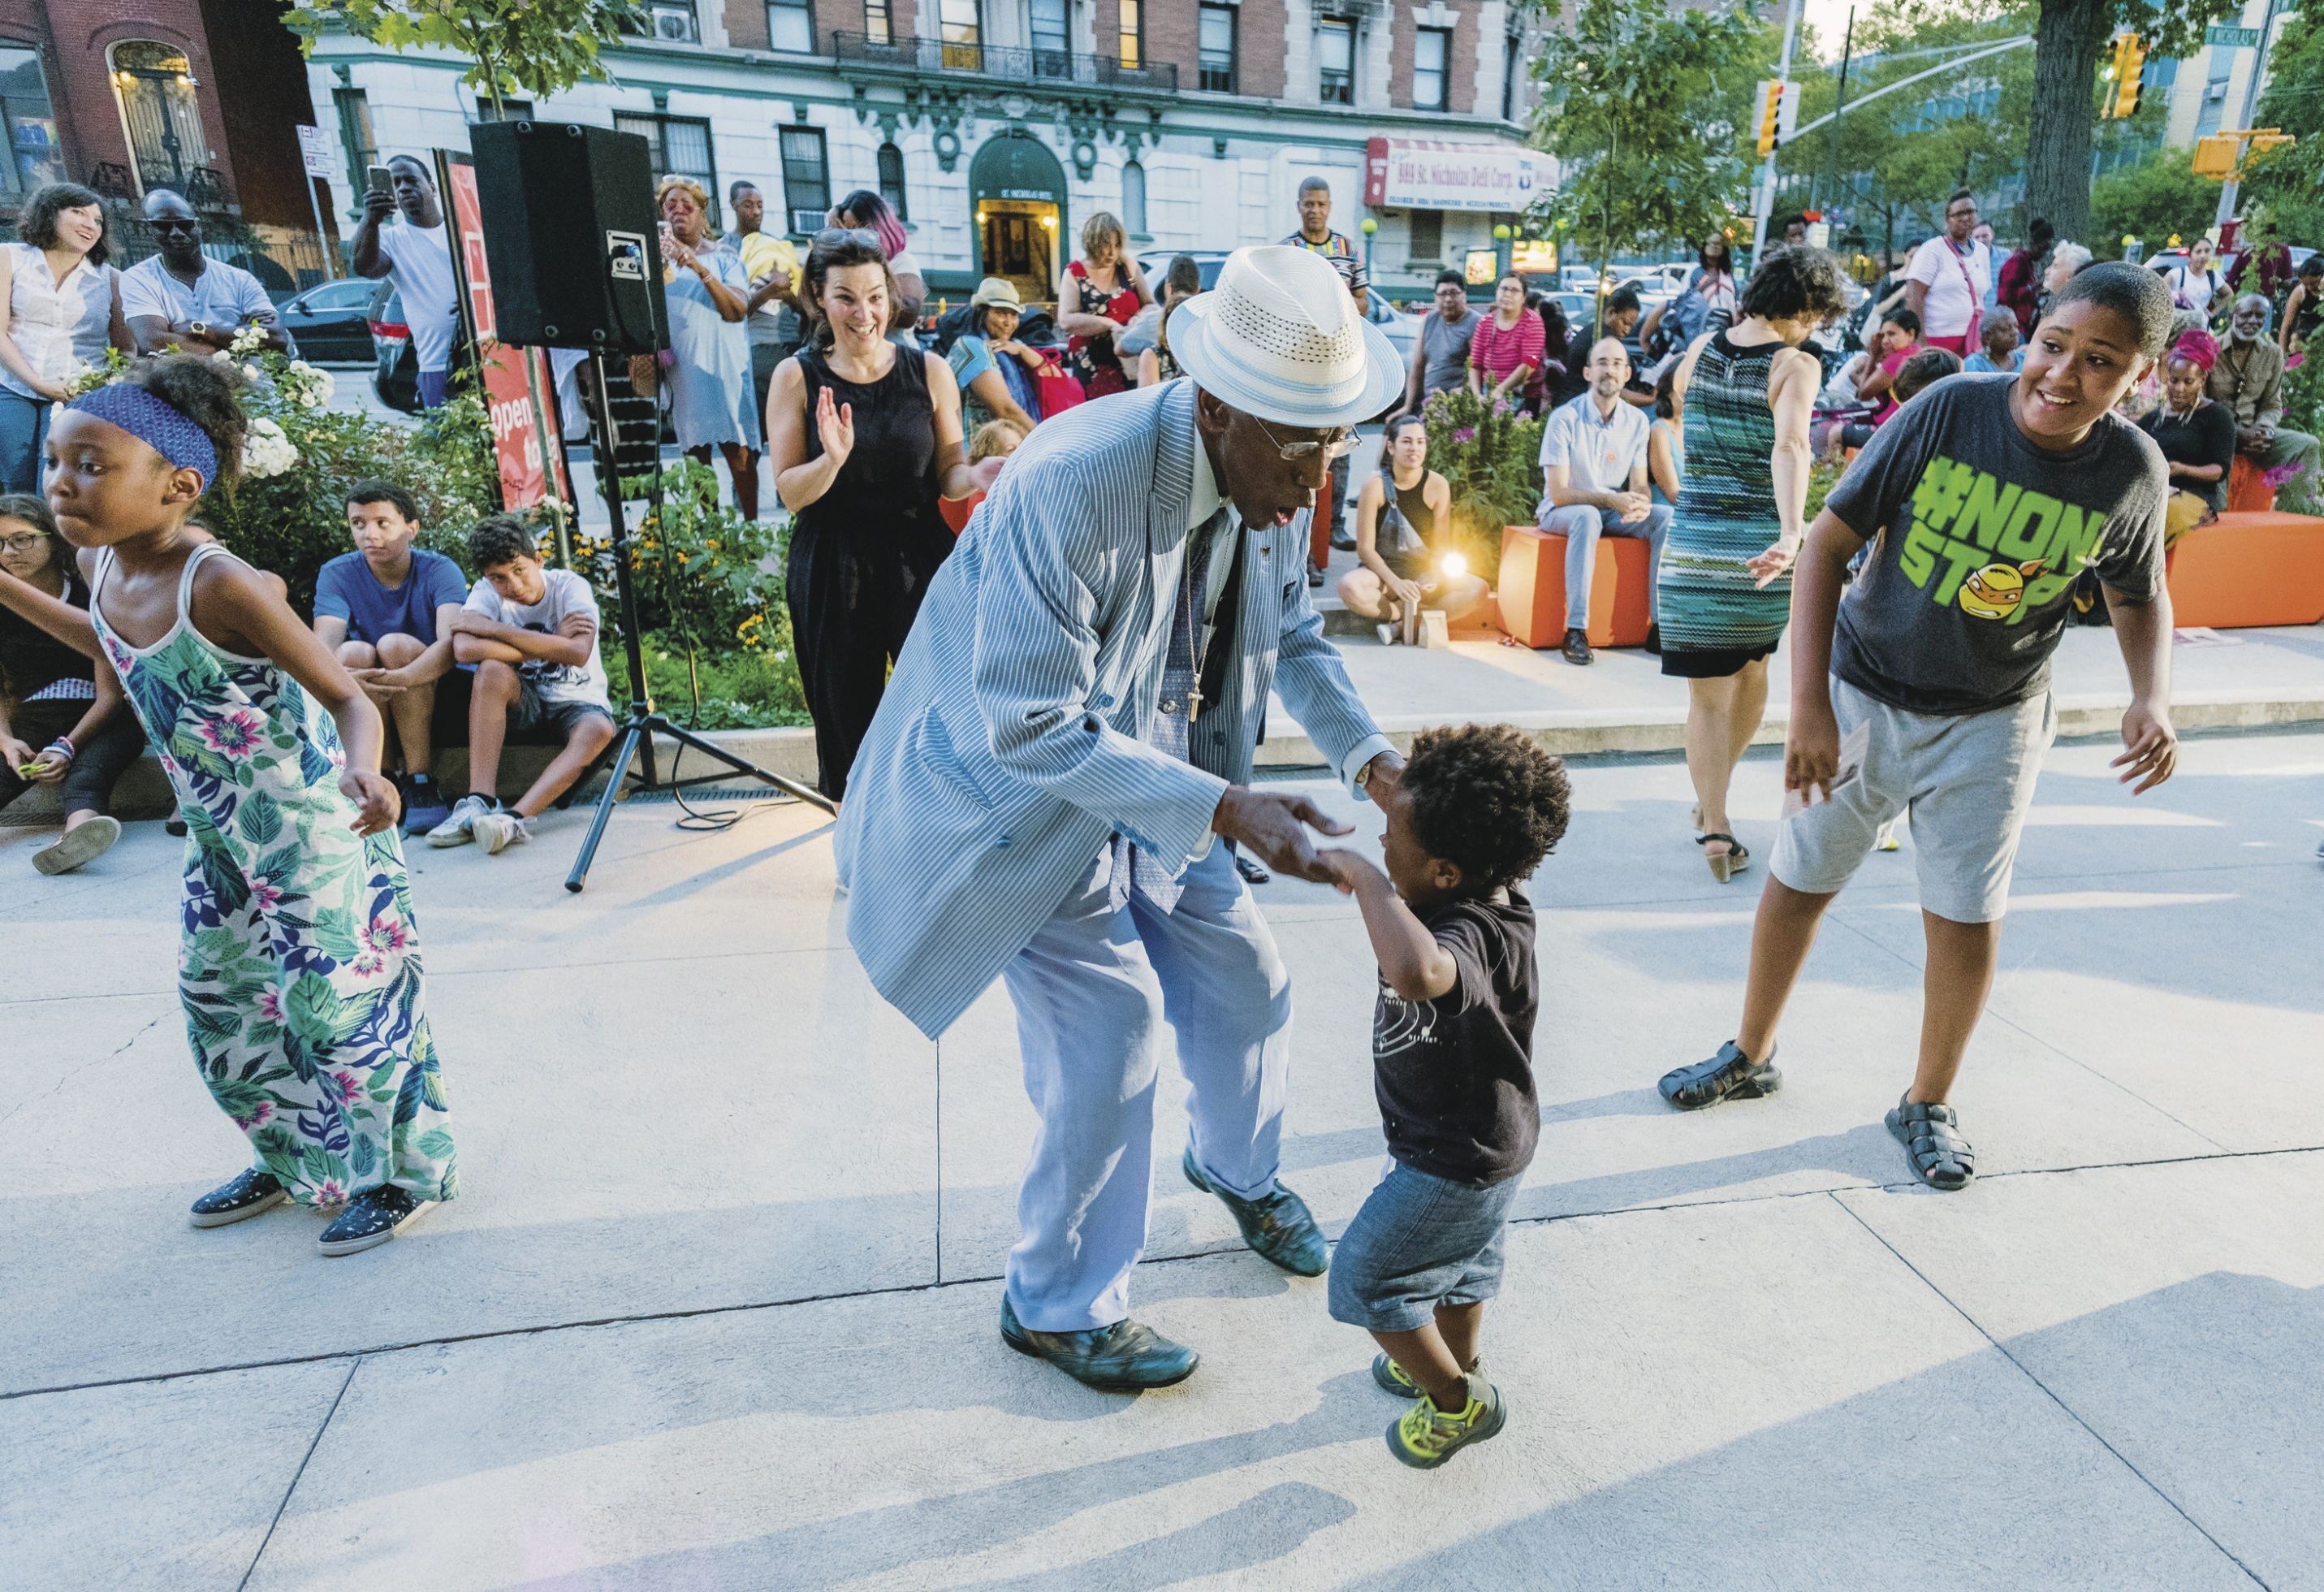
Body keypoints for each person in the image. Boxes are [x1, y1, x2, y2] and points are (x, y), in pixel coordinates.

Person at [836, 244, 1406, 1391]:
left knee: (1251, 985)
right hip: (1026, 801)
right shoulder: (1073, 480)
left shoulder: (1274, 468)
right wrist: (1230, 807)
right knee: (1114, 1037)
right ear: (1215, 405)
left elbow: (1291, 636)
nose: (1314, 487)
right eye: (1301, 450)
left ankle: (1235, 1170)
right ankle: (1053, 1301)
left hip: (1167, 781)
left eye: (1333, 445)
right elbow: (1031, 726)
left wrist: (1376, 766)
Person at [1658, 263, 2180, 1192]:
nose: (2062, 375)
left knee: (1966, 915)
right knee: (1799, 877)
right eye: (2054, 345)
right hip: (1863, 693)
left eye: (2100, 363)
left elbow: (2138, 590)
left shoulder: (2131, 467)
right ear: (2031, 333)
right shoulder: (1950, 411)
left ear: (2138, 375)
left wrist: (2153, 695)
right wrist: (1811, 707)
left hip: (1996, 716)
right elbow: (1826, 544)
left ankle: (1927, 1099)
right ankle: (1751, 1049)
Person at [44, 357, 455, 1249]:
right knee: (225, 1000)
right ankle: (293, 1152)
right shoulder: (97, 561)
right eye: (57, 462)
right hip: (222, 835)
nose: (62, 484)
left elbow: (345, 692)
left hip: (314, 823)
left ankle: (396, 1174)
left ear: (177, 487)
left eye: (91, 465)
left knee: (342, 1008)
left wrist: (368, 770)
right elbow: (108, 640)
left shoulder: (221, 582)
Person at [1313, 723, 1570, 1469]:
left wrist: (1365, 880)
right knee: (1462, 1269)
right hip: (1492, 1140)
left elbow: (1421, 977)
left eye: (1394, 836)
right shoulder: (1487, 889)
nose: (1384, 843)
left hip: (1449, 1160)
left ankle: (1457, 1404)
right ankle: (1456, 1360)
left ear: (1449, 872)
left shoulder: (1469, 930)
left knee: (1368, 1280)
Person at [768, 230, 1001, 803]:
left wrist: (973, 477)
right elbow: (790, 492)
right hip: (833, 559)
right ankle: (857, 842)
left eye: (875, 295)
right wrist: (833, 459)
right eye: (846, 296)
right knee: (847, 714)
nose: (864, 312)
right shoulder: (795, 376)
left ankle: (941, 828)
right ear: (818, 298)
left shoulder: (930, 371)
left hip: (917, 553)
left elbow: (947, 465)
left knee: (944, 706)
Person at [1655, 247, 1844, 880]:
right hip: (1757, 547)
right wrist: (1793, 532)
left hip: (1689, 548)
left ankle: (1712, 818)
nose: (1816, 328)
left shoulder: (1693, 356)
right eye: (1818, 314)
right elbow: (1790, 445)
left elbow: (1688, 431)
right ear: (1804, 307)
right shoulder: (1794, 364)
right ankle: (1713, 813)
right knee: (1754, 671)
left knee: (1706, 699)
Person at [428, 515, 617, 854]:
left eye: (519, 570)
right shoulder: (488, 593)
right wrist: (550, 643)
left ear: (538, 560)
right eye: (498, 578)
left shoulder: (569, 587)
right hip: (525, 698)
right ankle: (479, 801)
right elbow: (464, 648)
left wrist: (495, 630)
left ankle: (513, 820)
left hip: (578, 701)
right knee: (490, 671)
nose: (512, 584)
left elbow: (576, 652)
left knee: (600, 730)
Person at [311, 481, 468, 836]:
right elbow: (324, 647)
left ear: (412, 528)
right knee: (352, 652)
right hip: (374, 685)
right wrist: (350, 677)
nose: (370, 534)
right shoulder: (337, 573)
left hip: (434, 681)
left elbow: (451, 643)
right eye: (359, 523)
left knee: (395, 644)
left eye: (383, 523)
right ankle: (382, 778)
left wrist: (406, 677)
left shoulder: (439, 569)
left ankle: (421, 779)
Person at [0, 492, 140, 872]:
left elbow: (110, 697)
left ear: (51, 537)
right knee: (6, 768)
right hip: (40, 713)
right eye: (0, 544)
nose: (10, 552)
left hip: (104, 715)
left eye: (23, 538)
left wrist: (66, 747)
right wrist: (7, 739)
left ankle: (77, 838)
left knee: (86, 777)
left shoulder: (88, 592)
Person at [1535, 337, 1672, 665]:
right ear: (1587, 372)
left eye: (1615, 364)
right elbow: (1560, 493)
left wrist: (1638, 502)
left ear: (1626, 374)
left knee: (1664, 516)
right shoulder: (1564, 419)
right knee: (1586, 516)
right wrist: (1612, 499)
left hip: (1609, 510)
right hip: (1562, 512)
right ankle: (1576, 629)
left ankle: (1659, 626)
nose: (1608, 370)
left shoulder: (1637, 422)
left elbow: (1639, 484)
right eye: (1601, 363)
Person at [0, 182, 130, 492]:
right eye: (78, 212)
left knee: (54, 482)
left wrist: (101, 391)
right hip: (12, 385)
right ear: (49, 214)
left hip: (78, 393)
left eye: (98, 220)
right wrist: (39, 383)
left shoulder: (111, 278)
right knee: (14, 482)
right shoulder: (9, 257)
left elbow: (125, 349)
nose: (90, 224)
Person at [657, 175, 760, 521]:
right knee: (695, 456)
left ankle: (750, 529)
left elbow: (736, 311)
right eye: (670, 206)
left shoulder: (726, 257)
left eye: (688, 206)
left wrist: (697, 265)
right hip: (683, 369)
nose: (678, 212)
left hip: (725, 366)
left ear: (703, 215)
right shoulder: (654, 261)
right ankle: (712, 533)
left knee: (739, 451)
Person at [1281, 177, 1370, 569]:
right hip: (1300, 365)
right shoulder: (1287, 250)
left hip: (1341, 363)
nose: (1314, 210)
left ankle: (1333, 525)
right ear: (1298, 205)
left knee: (1341, 445)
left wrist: (1332, 297)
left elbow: (1363, 302)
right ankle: (1297, 530)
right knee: (1300, 446)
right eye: (1308, 204)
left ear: (1330, 206)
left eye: (1321, 204)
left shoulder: (1348, 249)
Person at [1337, 414, 1488, 643]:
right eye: (1406, 442)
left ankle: (1401, 626)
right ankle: (1412, 618)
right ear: (1391, 447)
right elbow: (1365, 550)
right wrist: (1396, 582)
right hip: (1384, 577)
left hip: (1423, 578)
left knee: (1478, 588)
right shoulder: (1375, 485)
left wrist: (1435, 576)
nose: (1414, 448)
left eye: (1420, 442)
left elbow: (1441, 547)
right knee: (1349, 587)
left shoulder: (1438, 485)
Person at [119, 191, 290, 357]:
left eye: (185, 224)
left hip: (255, 383)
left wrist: (198, 330)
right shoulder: (139, 279)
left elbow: (276, 337)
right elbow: (154, 341)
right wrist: (233, 343)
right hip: (182, 382)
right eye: (163, 226)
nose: (176, 233)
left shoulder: (239, 279)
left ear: (198, 225)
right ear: (150, 230)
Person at [351, 154, 458, 410]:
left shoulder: (461, 228)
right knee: (447, 443)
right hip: (436, 365)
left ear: (431, 187)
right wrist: (370, 219)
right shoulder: (390, 240)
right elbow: (365, 267)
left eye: (410, 180)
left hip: (485, 356)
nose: (403, 188)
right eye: (395, 183)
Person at [2211, 294, 2321, 493]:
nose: (2253, 321)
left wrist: (2266, 429)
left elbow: (2272, 404)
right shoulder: (2212, 350)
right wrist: (2238, 433)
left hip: (2255, 434)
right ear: (2231, 316)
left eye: (2260, 316)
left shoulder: (2273, 353)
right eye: (2246, 315)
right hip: (2218, 434)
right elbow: (2200, 403)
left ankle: (2299, 513)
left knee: (2307, 444)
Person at [2141, 331, 2235, 547]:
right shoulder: (2153, 419)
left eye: (2188, 382)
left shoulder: (2217, 416)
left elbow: (2219, 470)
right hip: (2153, 492)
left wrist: (2181, 469)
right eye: (2174, 380)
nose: (2179, 388)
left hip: (2194, 498)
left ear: (2202, 379)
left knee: (2159, 514)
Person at [724, 180, 801, 425]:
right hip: (754, 350)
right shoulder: (724, 250)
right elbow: (730, 311)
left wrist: (786, 292)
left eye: (760, 205)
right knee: (758, 430)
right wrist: (767, 291)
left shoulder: (777, 245)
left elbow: (803, 304)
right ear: (733, 206)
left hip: (791, 344)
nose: (756, 211)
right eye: (748, 205)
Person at [1058, 210, 1150, 403]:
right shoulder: (1074, 272)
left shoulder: (1127, 266)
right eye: (1105, 245)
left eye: (1117, 245)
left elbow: (1149, 304)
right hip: (1090, 367)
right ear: (1092, 243)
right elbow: (1066, 319)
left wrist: (1138, 320)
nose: (1112, 252)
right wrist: (1108, 323)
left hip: (1128, 363)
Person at [948, 277, 1043, 435]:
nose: (1008, 322)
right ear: (982, 313)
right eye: (1000, 312)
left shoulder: (1014, 345)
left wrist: (1022, 350)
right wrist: (1043, 439)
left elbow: (1050, 371)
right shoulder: (971, 346)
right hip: (984, 449)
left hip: (1013, 443)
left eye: (1014, 315)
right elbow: (1005, 410)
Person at [1903, 190, 1991, 357]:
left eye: (1970, 212)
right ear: (1947, 219)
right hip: (1937, 341)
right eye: (1958, 214)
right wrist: (1921, 344)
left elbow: (1982, 297)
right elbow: (1913, 296)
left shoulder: (1982, 251)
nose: (1965, 218)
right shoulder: (1933, 249)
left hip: (1972, 341)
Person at [1392, 270, 1480, 421]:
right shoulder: (1429, 320)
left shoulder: (1476, 323)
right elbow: (1418, 366)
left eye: (1454, 293)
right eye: (1442, 294)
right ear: (1435, 297)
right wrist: (1407, 406)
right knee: (1394, 431)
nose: (1448, 299)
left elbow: (1477, 369)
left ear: (1464, 295)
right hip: (1429, 404)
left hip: (1458, 406)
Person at [1467, 274, 1544, 406]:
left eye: (1514, 290)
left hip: (1522, 397)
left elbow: (1529, 364)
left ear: (1523, 297)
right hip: (1488, 393)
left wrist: (1500, 390)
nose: (1507, 294)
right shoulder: (1485, 323)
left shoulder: (1532, 322)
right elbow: (1475, 365)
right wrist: (1477, 396)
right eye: (1503, 289)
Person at [1135, 255, 1203, 388]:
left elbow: (1120, 348)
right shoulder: (1204, 355)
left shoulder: (1153, 355)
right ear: (1198, 290)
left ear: (1168, 287)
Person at [1997, 218, 2053, 338]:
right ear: (2033, 243)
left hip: (2023, 326)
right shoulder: (2018, 261)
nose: (2044, 254)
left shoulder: (2029, 264)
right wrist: (2032, 287)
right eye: (2043, 248)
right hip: (2013, 328)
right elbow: (2004, 296)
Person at [1647, 363, 1683, 508]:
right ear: (1669, 391)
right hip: (1669, 515)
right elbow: (1673, 494)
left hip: (1701, 513)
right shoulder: (1659, 432)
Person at [2163, 236, 2227, 322]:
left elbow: (2228, 295)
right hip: (2178, 329)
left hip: (2202, 329)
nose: (2203, 255)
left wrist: (2213, 313)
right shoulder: (2176, 274)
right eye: (2198, 252)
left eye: (2207, 251)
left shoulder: (2213, 276)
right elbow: (2159, 294)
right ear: (2189, 256)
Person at [2037, 242, 2092, 323]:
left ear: (2070, 276)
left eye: (2055, 266)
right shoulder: (2058, 304)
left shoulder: (2075, 311)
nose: (2046, 271)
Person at [2280, 253, 2322, 357]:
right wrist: (2283, 356)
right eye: (2306, 284)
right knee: (2295, 339)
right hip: (2305, 334)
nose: (2310, 287)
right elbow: (2286, 326)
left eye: (2314, 283)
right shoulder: (2299, 292)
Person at [1961, 306, 2024, 374]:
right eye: (2005, 329)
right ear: (1987, 337)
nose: (2015, 332)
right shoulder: (1973, 365)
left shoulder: (2024, 359)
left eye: (2016, 326)